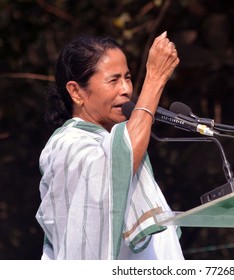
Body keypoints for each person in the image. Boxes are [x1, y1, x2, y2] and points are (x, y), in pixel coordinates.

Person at [35, 31, 184, 260]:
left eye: (127, 77)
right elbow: (118, 164)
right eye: (113, 80)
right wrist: (154, 79)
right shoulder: (66, 145)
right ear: (76, 92)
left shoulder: (113, 139)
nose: (126, 89)